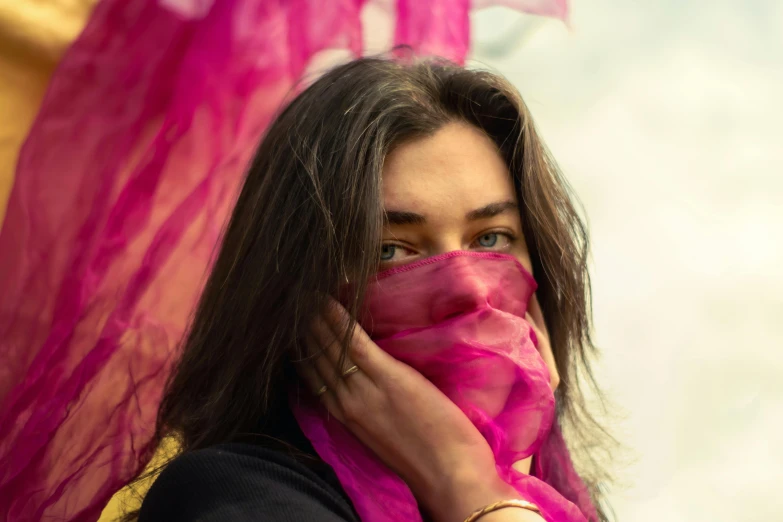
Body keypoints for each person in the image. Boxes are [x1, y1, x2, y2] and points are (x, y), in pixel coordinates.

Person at [134, 56, 613, 522]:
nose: (468, 289)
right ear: (299, 289)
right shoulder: (229, 496)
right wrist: (470, 487)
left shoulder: (562, 495)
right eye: (391, 250)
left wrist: (506, 466)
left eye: (491, 239)